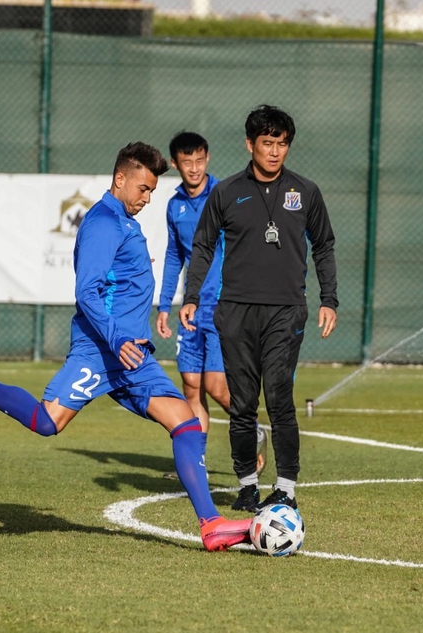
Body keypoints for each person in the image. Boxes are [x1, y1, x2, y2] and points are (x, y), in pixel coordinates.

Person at [0, 142, 252, 551]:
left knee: (185, 422)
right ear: (120, 179)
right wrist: (118, 336)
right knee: (47, 422)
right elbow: (87, 292)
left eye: (153, 191)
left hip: (131, 355)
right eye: (142, 188)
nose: (147, 198)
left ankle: (211, 524)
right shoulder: (103, 223)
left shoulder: (125, 222)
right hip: (101, 350)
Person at [179, 105, 338, 513]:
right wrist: (192, 295)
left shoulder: (305, 191)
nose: (275, 152)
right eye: (267, 143)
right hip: (235, 312)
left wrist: (329, 300)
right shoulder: (227, 192)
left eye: (282, 144)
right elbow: (203, 246)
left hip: (286, 311)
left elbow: (324, 245)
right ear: (250, 144)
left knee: (280, 400)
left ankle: (286, 487)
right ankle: (247, 486)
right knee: (243, 404)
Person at [156, 131, 266, 480]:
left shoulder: (225, 195)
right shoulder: (174, 205)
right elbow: (175, 256)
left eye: (199, 160)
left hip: (224, 305)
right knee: (190, 385)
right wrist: (164, 304)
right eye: (186, 162)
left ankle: (253, 434)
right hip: (191, 308)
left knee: (217, 386)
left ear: (208, 158)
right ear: (175, 164)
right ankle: (196, 463)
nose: (193, 168)